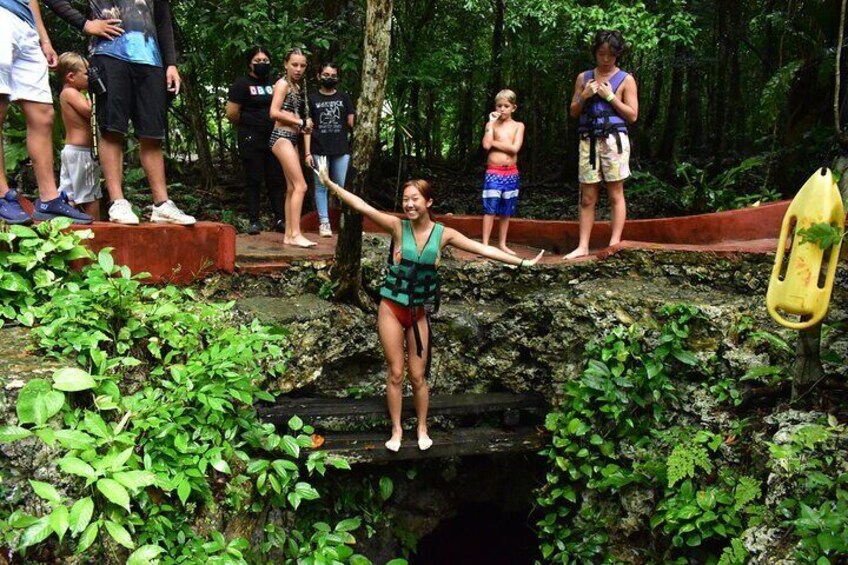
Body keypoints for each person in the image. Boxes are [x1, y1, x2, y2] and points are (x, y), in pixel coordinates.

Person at [313, 156, 544, 453]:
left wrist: (522, 262)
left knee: (418, 376)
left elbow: (482, 248)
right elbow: (363, 206)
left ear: (429, 202)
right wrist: (329, 184)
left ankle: (422, 427)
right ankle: (396, 429)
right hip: (391, 308)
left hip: (418, 312)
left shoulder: (443, 234)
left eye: (415, 199)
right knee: (396, 372)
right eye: (405, 199)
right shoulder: (398, 227)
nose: (409, 205)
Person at [44, 0, 196, 225]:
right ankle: (118, 202)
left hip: (151, 59)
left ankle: (162, 204)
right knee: (112, 129)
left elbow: (163, 20)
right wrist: (85, 24)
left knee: (152, 133)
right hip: (108, 55)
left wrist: (171, 63)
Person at [0, 0, 92, 224]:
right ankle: (2, 195)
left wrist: (44, 39)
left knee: (43, 113)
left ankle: (49, 200)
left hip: (26, 24)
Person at [564, 30, 638, 260]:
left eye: (611, 54)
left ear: (618, 54)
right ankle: (583, 246)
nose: (605, 59)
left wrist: (610, 97)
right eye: (601, 53)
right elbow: (574, 111)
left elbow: (632, 115)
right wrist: (584, 95)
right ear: (595, 53)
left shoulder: (626, 79)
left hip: (614, 141)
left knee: (615, 192)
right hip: (589, 140)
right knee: (587, 196)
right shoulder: (583, 78)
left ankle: (614, 243)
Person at [226, 46, 285, 235]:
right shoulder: (241, 84)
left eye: (265, 61)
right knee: (253, 179)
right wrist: (251, 123)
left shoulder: (276, 83)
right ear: (249, 63)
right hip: (251, 138)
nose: (262, 64)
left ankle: (280, 219)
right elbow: (232, 113)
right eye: (257, 61)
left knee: (276, 179)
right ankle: (254, 220)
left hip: (274, 137)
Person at [304, 62, 355, 238]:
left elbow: (351, 121)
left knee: (341, 186)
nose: (330, 78)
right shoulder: (312, 99)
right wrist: (307, 152)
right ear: (319, 76)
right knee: (321, 186)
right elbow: (307, 127)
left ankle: (348, 223)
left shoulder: (344, 97)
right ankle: (324, 222)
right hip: (319, 148)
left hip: (341, 148)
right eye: (326, 75)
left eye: (333, 76)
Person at [270, 47, 314, 247]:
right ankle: (296, 233)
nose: (298, 69)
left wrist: (307, 149)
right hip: (281, 137)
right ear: (285, 64)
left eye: (302, 65)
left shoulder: (297, 87)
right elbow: (274, 112)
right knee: (301, 186)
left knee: (291, 188)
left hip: (293, 138)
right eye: (294, 64)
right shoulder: (282, 84)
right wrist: (299, 121)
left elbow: (303, 124)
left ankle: (289, 234)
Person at [57, 52, 102, 219]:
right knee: (90, 194)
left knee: (69, 194)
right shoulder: (70, 93)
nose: (90, 78)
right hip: (81, 153)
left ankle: (68, 227)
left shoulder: (68, 93)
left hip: (73, 152)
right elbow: (90, 111)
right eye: (86, 74)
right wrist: (94, 96)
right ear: (71, 76)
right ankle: (96, 228)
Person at [481, 89, 524, 254]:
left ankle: (502, 244)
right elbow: (486, 145)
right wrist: (490, 125)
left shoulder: (518, 126)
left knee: (506, 210)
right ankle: (485, 245)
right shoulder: (491, 125)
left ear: (513, 107)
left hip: (511, 173)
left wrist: (494, 142)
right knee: (490, 208)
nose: (502, 109)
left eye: (506, 106)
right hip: (494, 172)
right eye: (499, 106)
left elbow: (514, 149)